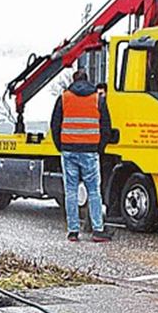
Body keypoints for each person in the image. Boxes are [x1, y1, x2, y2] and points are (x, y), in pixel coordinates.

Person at [51, 70, 112, 242]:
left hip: (69, 150)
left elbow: (55, 125)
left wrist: (61, 146)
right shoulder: (97, 99)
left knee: (71, 191)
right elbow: (106, 126)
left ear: (73, 80)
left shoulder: (64, 98)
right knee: (94, 191)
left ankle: (73, 231)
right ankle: (98, 230)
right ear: (88, 80)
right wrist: (98, 148)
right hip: (90, 152)